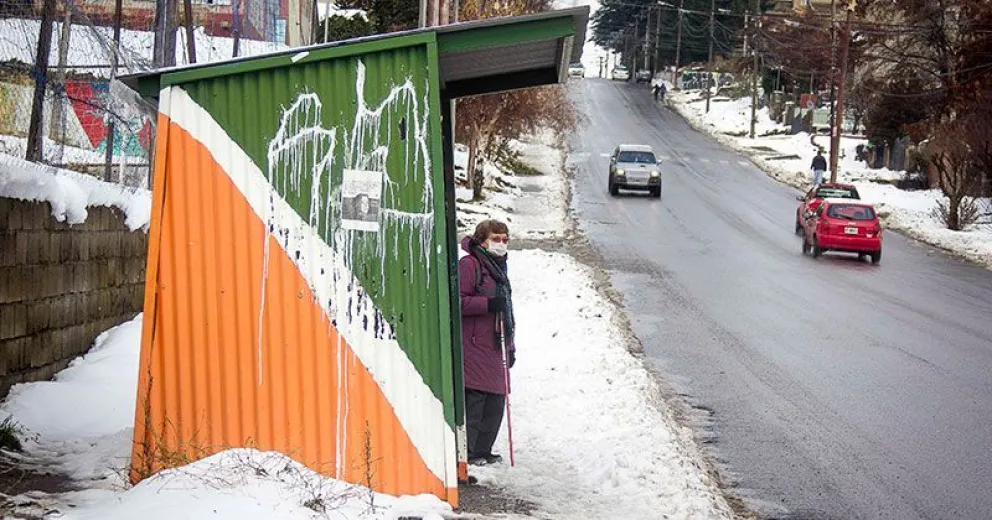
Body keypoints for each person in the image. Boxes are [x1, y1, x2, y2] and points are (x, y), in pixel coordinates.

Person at [458, 219, 516, 467]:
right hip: (473, 343)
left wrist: (510, 346)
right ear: (482, 240)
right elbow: (458, 302)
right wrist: (488, 305)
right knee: (477, 398)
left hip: (495, 343)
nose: (501, 244)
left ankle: (484, 448)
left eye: (505, 239)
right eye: (496, 239)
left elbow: (507, 311)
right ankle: (469, 450)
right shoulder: (470, 265)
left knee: (496, 398)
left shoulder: (498, 268)